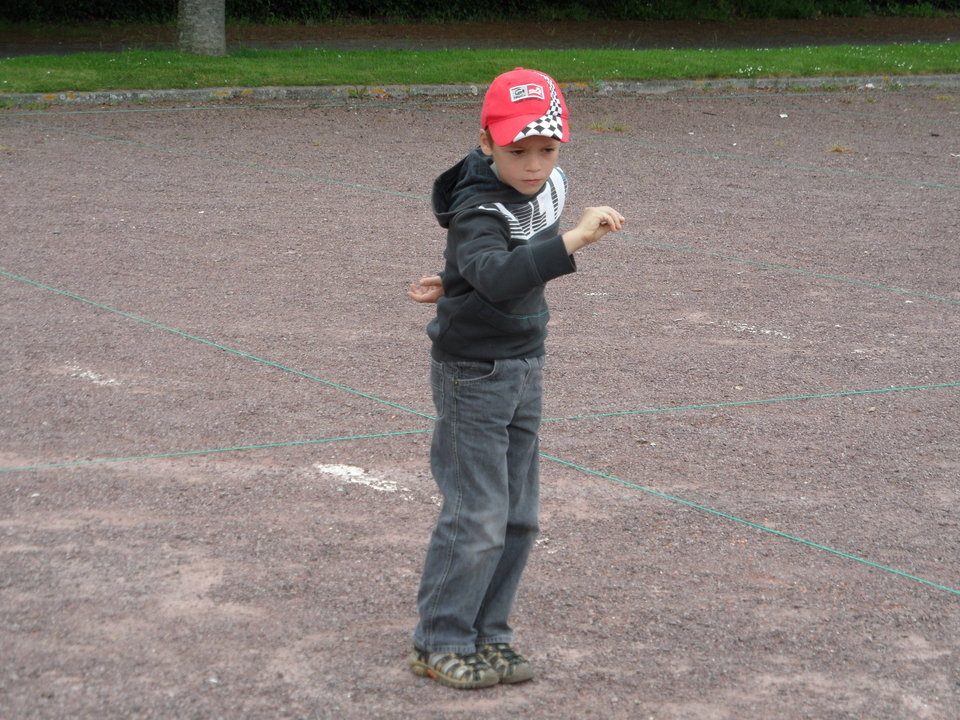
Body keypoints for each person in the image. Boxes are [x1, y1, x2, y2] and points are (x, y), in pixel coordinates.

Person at [406, 67, 625, 690]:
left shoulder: (546, 185)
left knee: (519, 516)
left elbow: (495, 264)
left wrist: (451, 281)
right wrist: (576, 240)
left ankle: (488, 633)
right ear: (485, 141)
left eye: (547, 150)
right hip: (473, 371)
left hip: (525, 360)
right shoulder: (476, 206)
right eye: (517, 150)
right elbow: (499, 271)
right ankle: (440, 639)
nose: (533, 165)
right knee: (476, 513)